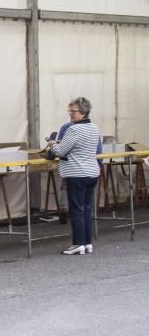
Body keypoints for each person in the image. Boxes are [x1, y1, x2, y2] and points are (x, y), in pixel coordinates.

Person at [46, 97, 100, 255]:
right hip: (91, 172)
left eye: (73, 111)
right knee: (87, 210)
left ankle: (77, 243)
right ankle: (87, 243)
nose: (70, 114)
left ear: (83, 112)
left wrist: (53, 145)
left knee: (76, 210)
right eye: (70, 111)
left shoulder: (73, 129)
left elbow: (60, 151)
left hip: (77, 173)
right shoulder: (94, 127)